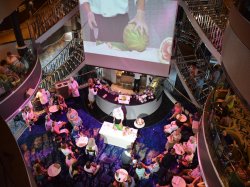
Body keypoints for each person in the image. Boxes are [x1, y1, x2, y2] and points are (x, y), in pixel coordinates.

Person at [81, 0, 148, 42]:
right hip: (97, 20)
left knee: (121, 59)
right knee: (98, 58)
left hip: (120, 22)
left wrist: (140, 13)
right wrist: (89, 12)